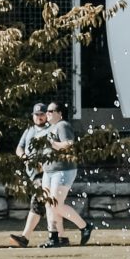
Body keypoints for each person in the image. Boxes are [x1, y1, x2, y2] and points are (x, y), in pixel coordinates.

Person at [38, 103, 92, 247]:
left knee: (56, 204)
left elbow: (68, 144)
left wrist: (52, 144)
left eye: (50, 111)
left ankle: (84, 226)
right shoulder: (49, 128)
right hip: (49, 171)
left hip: (63, 169)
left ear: (60, 113)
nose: (47, 113)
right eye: (46, 111)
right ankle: (54, 237)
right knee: (50, 205)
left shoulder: (62, 125)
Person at [8, 104, 52, 248]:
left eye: (42, 114)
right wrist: (24, 156)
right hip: (32, 174)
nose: (39, 117)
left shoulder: (50, 129)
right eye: (36, 114)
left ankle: (25, 238)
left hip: (44, 173)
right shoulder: (29, 130)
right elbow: (19, 148)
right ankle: (74, 230)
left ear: (46, 115)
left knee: (38, 201)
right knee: (52, 206)